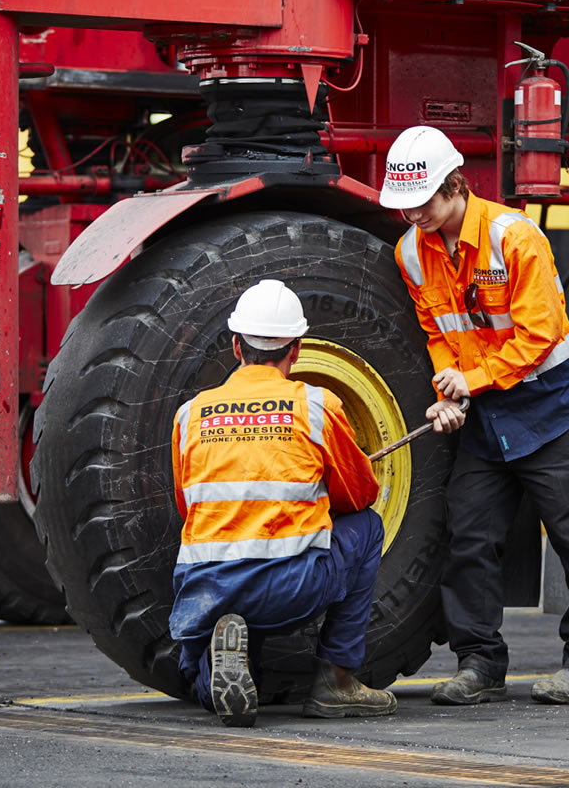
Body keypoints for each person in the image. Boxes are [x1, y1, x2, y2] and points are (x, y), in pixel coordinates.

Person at [380, 125, 569, 706]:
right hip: (486, 412)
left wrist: (473, 380)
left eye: (424, 203)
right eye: (405, 206)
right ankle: (479, 662)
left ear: (454, 186)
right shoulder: (411, 250)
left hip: (551, 408)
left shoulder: (516, 238)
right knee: (468, 536)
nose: (414, 215)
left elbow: (538, 335)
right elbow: (438, 329)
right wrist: (448, 389)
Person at [168, 279, 397, 726]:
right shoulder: (315, 406)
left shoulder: (190, 413)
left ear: (236, 346)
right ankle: (336, 682)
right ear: (296, 349)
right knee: (367, 526)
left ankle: (216, 672)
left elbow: (187, 507)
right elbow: (359, 496)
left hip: (206, 587)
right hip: (289, 590)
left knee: (210, 656)